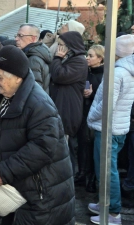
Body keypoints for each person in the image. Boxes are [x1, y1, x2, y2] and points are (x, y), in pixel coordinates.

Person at [0, 45, 75, 225]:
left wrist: (6, 170)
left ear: (18, 77)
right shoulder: (2, 96)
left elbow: (43, 147)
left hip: (39, 195)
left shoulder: (39, 104)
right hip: (15, 190)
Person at [87, 35, 134, 225]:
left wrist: (91, 116)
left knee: (107, 171)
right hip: (118, 127)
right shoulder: (128, 71)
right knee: (108, 169)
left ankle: (113, 213)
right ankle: (105, 203)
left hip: (109, 128)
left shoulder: (119, 72)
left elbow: (107, 104)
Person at [49, 31, 87, 176]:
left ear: (71, 46)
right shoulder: (70, 59)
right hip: (62, 107)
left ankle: (67, 179)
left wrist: (57, 58)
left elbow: (59, 76)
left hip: (68, 111)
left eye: (61, 45)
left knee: (65, 151)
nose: (59, 49)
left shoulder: (78, 61)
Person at [75, 45, 104, 193]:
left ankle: (91, 178)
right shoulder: (87, 72)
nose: (88, 57)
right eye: (88, 55)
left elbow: (103, 97)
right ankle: (82, 174)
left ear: (100, 58)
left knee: (91, 146)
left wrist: (91, 95)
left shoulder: (104, 75)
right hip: (84, 112)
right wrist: (86, 92)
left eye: (91, 56)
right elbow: (85, 85)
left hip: (95, 117)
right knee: (82, 145)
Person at [15, 24, 52, 93]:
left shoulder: (33, 60)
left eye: (20, 36)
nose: (16, 39)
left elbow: (34, 91)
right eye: (16, 35)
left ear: (33, 38)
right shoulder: (36, 54)